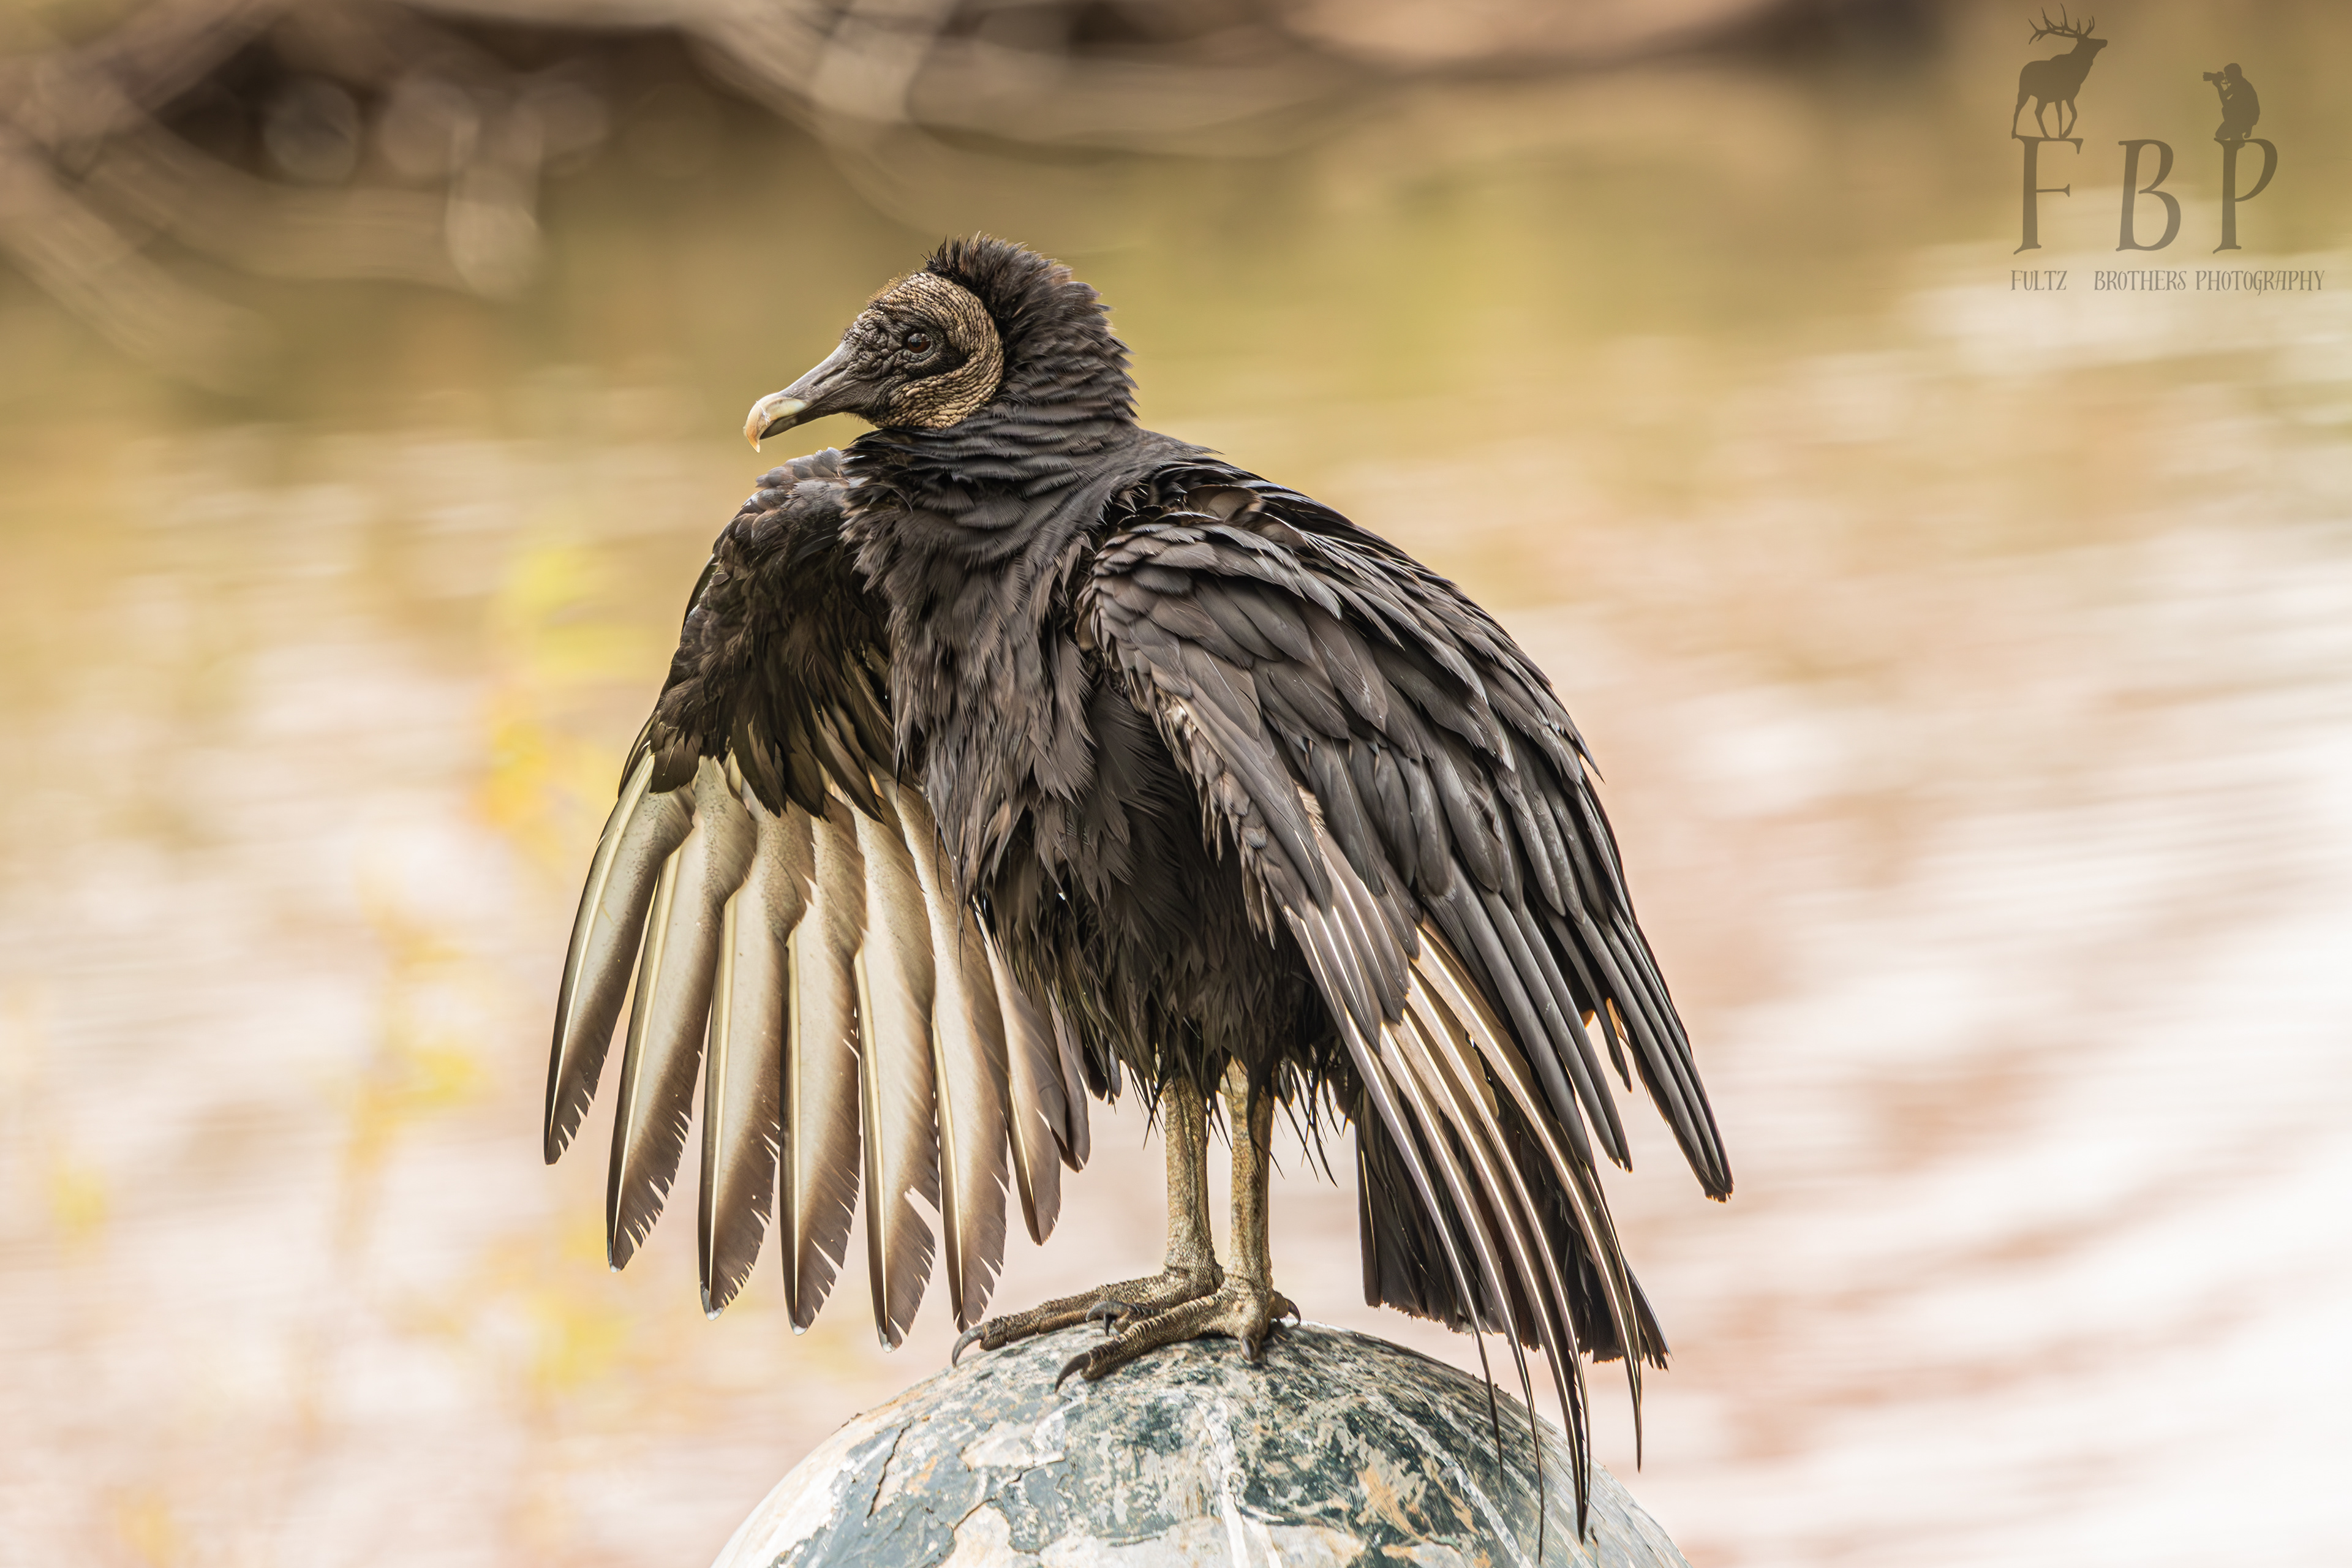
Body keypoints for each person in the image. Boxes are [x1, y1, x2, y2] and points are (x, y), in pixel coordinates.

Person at [2209, 63, 2260, 143]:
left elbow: (2226, 104)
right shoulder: (2239, 84)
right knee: (2220, 134)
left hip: (2246, 118)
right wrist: (2218, 85)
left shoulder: (2243, 86)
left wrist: (2219, 86)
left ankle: (2237, 138)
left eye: (2227, 74)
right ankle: (2237, 135)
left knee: (2226, 110)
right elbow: (2225, 96)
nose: (2227, 76)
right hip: (2243, 117)